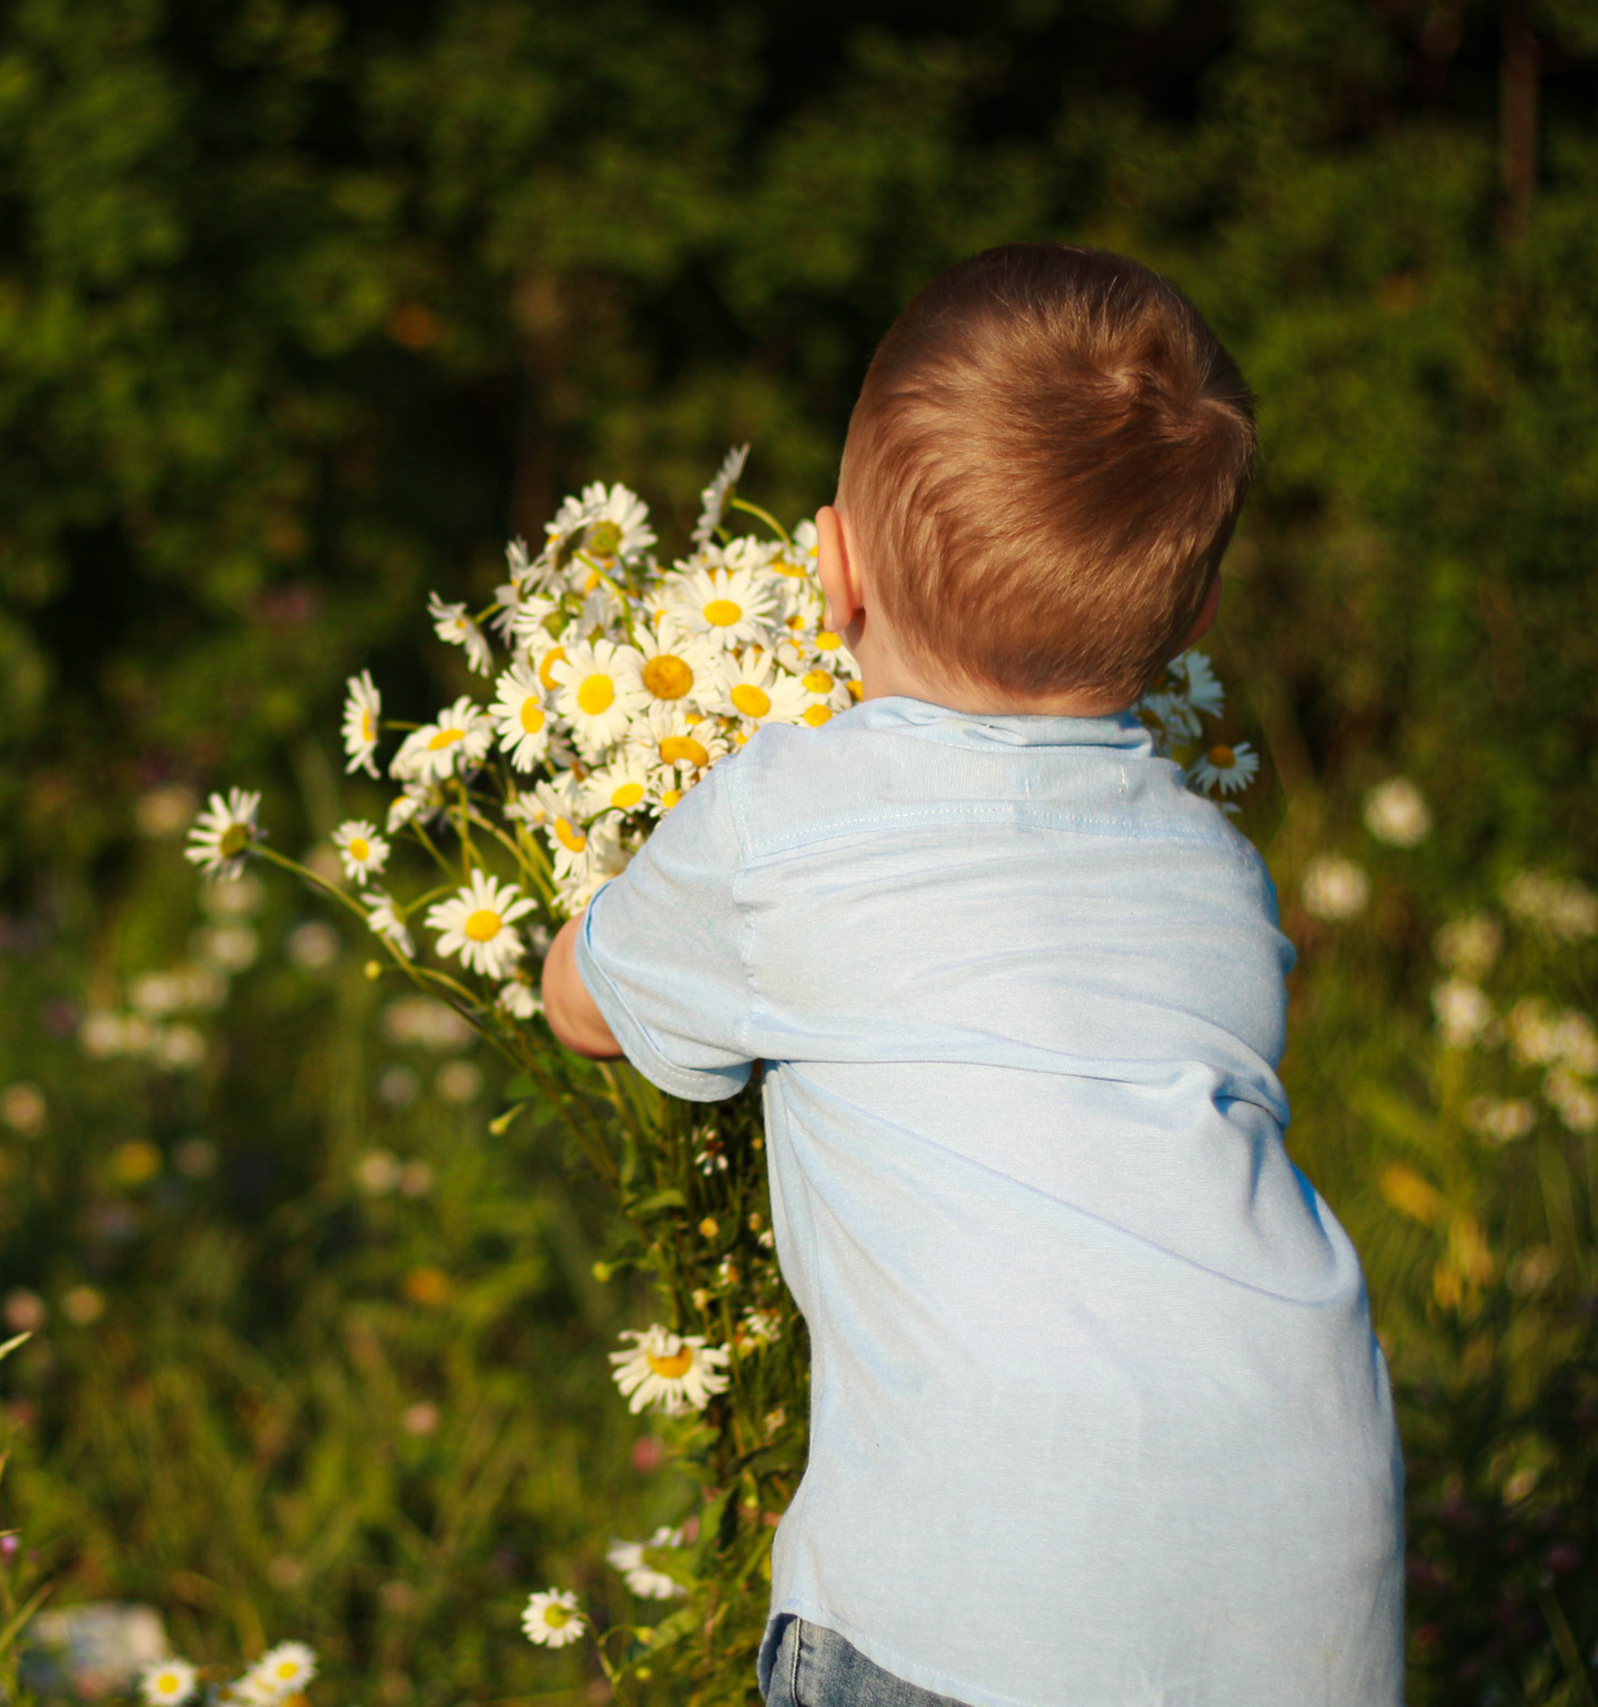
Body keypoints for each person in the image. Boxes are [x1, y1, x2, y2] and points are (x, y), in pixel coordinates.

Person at [542, 245, 1401, 1706]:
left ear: (832, 570)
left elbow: (586, 1006)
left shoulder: (778, 816)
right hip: (1303, 1566)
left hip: (968, 1598)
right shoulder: (1214, 867)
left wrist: (601, 918)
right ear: (1193, 620)